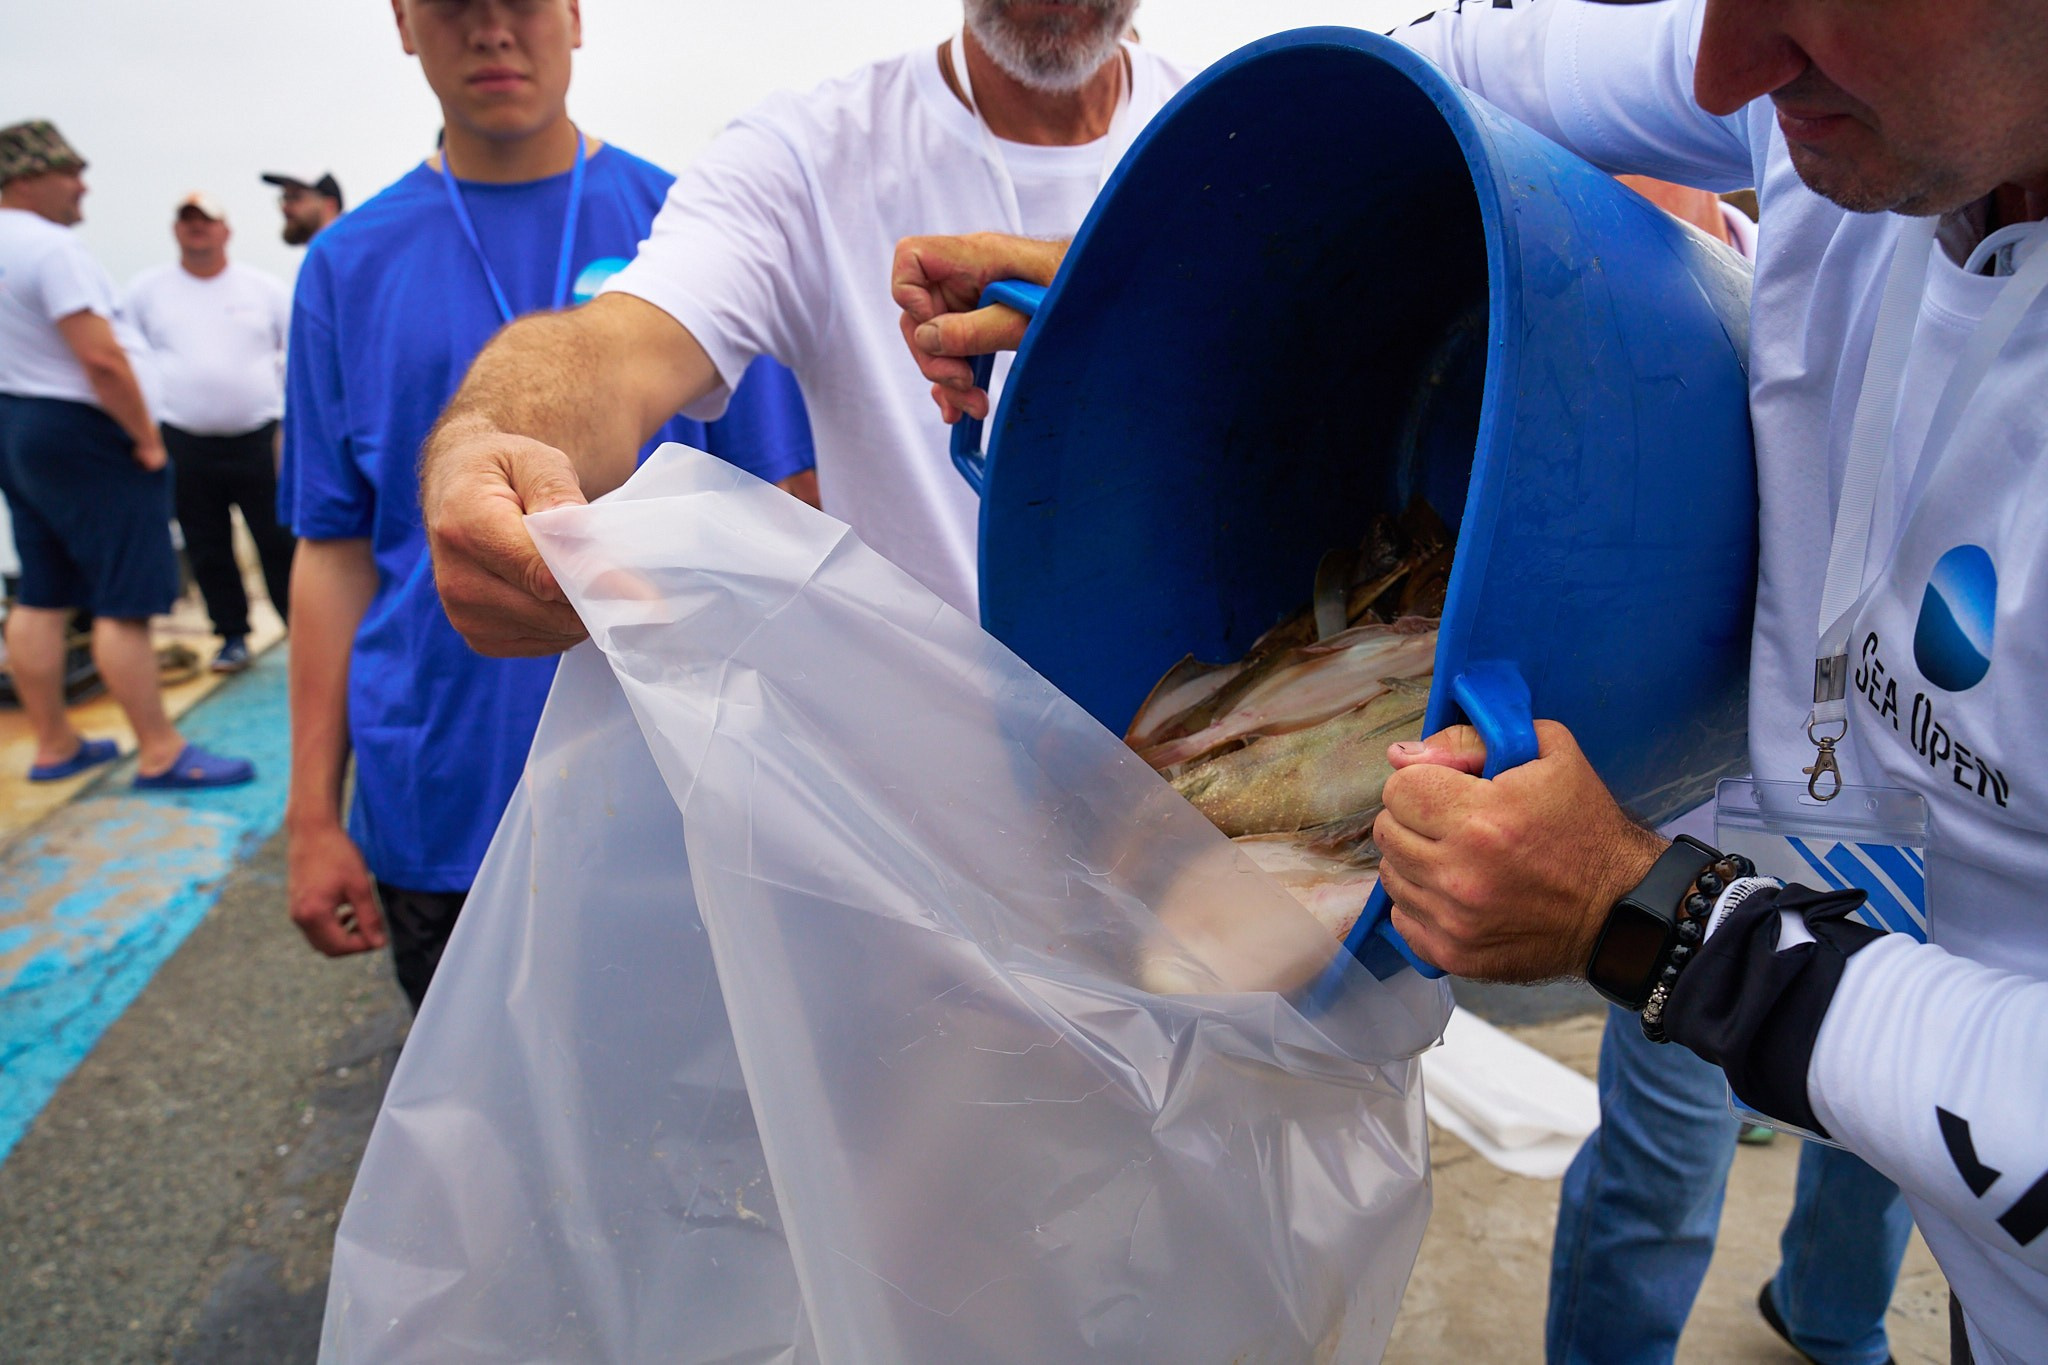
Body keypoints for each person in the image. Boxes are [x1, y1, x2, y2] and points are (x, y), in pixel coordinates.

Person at [893, 4, 2048, 1358]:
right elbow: (1433, 74)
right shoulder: (1827, 86)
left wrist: (1653, 914)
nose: (1729, 70)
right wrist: (1148, 282)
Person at [280, 0, 814, 1011]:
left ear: (573, 15)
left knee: (702, 1138)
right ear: (402, 20)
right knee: (475, 1139)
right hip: (441, 792)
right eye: (453, 7)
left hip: (672, 797)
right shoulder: (345, 265)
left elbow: (783, 504)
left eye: (521, 2)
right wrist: (310, 812)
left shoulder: (687, 233)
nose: (490, 31)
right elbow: (333, 548)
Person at [412, 0, 1191, 657]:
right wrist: (486, 440)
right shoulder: (810, 158)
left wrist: (1126, 280)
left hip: (1224, 733)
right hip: (928, 786)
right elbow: (625, 342)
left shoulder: (1249, 140)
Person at [0, 120, 254, 790]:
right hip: (84, 433)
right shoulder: (51, 248)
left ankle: (55, 742)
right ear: (25, 176)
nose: (81, 184)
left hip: (18, 424)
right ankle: (161, 750)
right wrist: (144, 437)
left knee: (43, 592)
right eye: (68, 171)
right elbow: (100, 357)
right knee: (123, 599)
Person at [123, 192, 296, 673]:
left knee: (278, 539)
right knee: (206, 542)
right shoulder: (146, 291)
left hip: (259, 438)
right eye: (187, 220)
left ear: (226, 230)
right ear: (176, 229)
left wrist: (290, 434)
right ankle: (232, 635)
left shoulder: (262, 288)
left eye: (206, 220)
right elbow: (131, 359)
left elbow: (295, 359)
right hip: (184, 439)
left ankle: (299, 629)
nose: (196, 228)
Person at [261, 170, 344, 246]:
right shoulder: (322, 258)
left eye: (295, 197)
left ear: (330, 205)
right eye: (285, 198)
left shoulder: (349, 253)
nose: (285, 208)